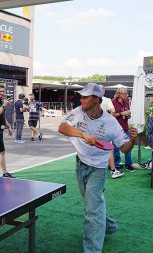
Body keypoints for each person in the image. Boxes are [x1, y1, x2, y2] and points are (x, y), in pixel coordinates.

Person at [58, 83, 138, 253]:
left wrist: (132, 141)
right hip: (80, 164)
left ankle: (92, 250)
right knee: (93, 203)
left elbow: (123, 148)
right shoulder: (79, 111)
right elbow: (62, 127)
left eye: (85, 97)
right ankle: (109, 226)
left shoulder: (111, 123)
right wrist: (83, 135)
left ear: (96, 99)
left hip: (98, 170)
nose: (82, 99)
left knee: (91, 211)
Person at [99, 85, 123, 179]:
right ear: (103, 92)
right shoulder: (106, 100)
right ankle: (113, 171)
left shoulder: (91, 99)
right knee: (109, 150)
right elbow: (112, 112)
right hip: (104, 128)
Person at [112, 87, 134, 172]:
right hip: (115, 129)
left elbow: (128, 115)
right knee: (116, 148)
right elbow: (111, 115)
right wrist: (121, 113)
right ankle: (116, 166)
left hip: (125, 128)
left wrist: (128, 115)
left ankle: (129, 164)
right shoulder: (113, 102)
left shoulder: (126, 102)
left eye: (127, 93)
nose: (127, 95)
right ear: (119, 94)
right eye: (125, 93)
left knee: (128, 147)